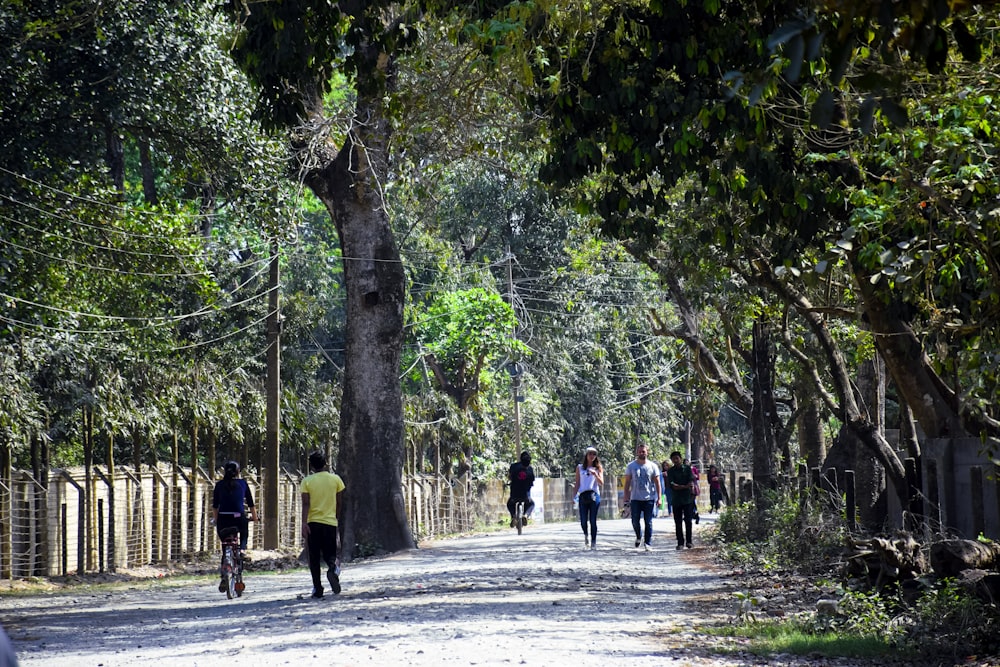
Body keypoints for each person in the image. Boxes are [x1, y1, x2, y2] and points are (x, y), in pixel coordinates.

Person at [301, 450, 345, 598]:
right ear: (325, 463)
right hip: (330, 523)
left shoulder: (307, 481)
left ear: (311, 466)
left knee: (313, 557)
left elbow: (306, 504)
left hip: (313, 523)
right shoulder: (336, 480)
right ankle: (332, 569)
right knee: (331, 554)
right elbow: (339, 502)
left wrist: (303, 523)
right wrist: (336, 518)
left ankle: (317, 588)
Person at [622, 443, 662, 551]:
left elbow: (657, 483)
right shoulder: (631, 466)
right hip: (635, 499)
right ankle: (639, 536)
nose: (641, 453)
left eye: (643, 451)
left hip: (649, 498)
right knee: (635, 520)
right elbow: (627, 483)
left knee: (648, 521)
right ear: (637, 453)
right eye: (639, 451)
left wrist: (659, 498)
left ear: (647, 452)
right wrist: (626, 497)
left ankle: (648, 543)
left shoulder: (653, 466)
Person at [212, 460, 258, 553]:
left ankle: (225, 551)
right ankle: (242, 549)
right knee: (244, 531)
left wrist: (216, 520)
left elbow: (215, 506)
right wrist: (255, 517)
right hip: (238, 517)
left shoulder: (219, 485)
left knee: (223, 537)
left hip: (223, 518)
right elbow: (251, 504)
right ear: (238, 472)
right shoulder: (242, 484)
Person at [571, 446, 604, 550]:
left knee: (593, 520)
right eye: (590, 453)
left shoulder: (598, 468)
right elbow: (577, 483)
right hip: (583, 495)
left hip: (594, 495)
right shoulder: (580, 468)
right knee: (583, 520)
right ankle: (586, 536)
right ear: (586, 455)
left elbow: (601, 483)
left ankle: (593, 541)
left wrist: (595, 474)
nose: (592, 456)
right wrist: (574, 496)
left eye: (594, 454)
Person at [667, 451, 696, 549]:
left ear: (680, 458)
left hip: (687, 499)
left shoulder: (687, 469)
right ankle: (680, 543)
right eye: (674, 459)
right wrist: (685, 486)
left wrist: (688, 487)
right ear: (672, 460)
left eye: (677, 458)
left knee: (688, 521)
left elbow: (691, 480)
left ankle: (689, 541)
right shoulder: (670, 471)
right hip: (676, 500)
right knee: (678, 522)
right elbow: (673, 486)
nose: (676, 460)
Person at [507, 450, 536, 526]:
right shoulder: (530, 469)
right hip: (525, 496)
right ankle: (526, 515)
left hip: (514, 495)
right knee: (531, 504)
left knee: (509, 504)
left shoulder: (513, 466)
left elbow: (510, 477)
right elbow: (532, 480)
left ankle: (513, 516)